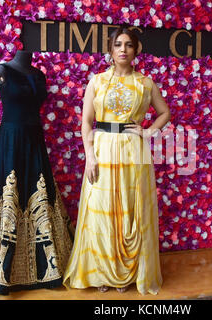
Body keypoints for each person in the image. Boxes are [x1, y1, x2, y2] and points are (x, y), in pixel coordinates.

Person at [63, 27, 170, 294]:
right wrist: (90, 157)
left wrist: (147, 132)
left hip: (134, 152)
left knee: (130, 212)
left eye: (129, 45)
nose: (123, 49)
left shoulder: (145, 83)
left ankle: (127, 274)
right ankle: (102, 272)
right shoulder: (97, 81)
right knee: (102, 212)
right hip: (102, 149)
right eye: (118, 44)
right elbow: (86, 122)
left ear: (136, 50)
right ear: (110, 50)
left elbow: (164, 113)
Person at [0, 50, 74, 295]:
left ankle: (49, 265)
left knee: (37, 193)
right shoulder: (2, 70)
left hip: (35, 140)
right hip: (11, 139)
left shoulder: (39, 75)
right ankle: (1, 270)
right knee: (8, 195)